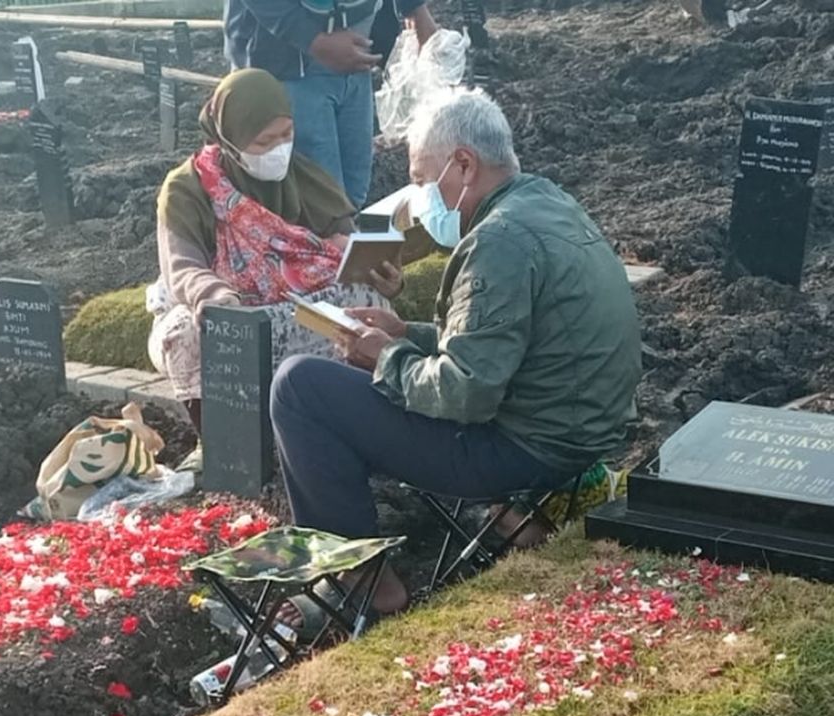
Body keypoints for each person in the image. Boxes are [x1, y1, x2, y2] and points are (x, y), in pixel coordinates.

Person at [269, 88, 642, 634]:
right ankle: (512, 522)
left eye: (421, 181)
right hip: (583, 432)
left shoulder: (499, 240)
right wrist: (409, 334)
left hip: (523, 449)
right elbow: (506, 339)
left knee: (299, 387)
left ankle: (364, 580)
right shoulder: (547, 202)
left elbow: (465, 392)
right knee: (333, 381)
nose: (418, 200)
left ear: (463, 165)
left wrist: (385, 357)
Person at [147, 69, 403, 472]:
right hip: (228, 306)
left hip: (295, 304)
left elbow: (344, 244)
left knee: (368, 301)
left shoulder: (302, 175)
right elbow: (181, 268)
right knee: (185, 335)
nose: (279, 150)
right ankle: (222, 443)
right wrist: (217, 296)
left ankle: (354, 421)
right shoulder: (186, 188)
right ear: (229, 137)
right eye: (264, 141)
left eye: (286, 135)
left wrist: (382, 273)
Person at [224, 0, 437, 209]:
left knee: (353, 192)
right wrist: (314, 41)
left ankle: (341, 237)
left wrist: (416, 8)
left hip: (356, 53)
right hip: (289, 63)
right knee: (319, 199)